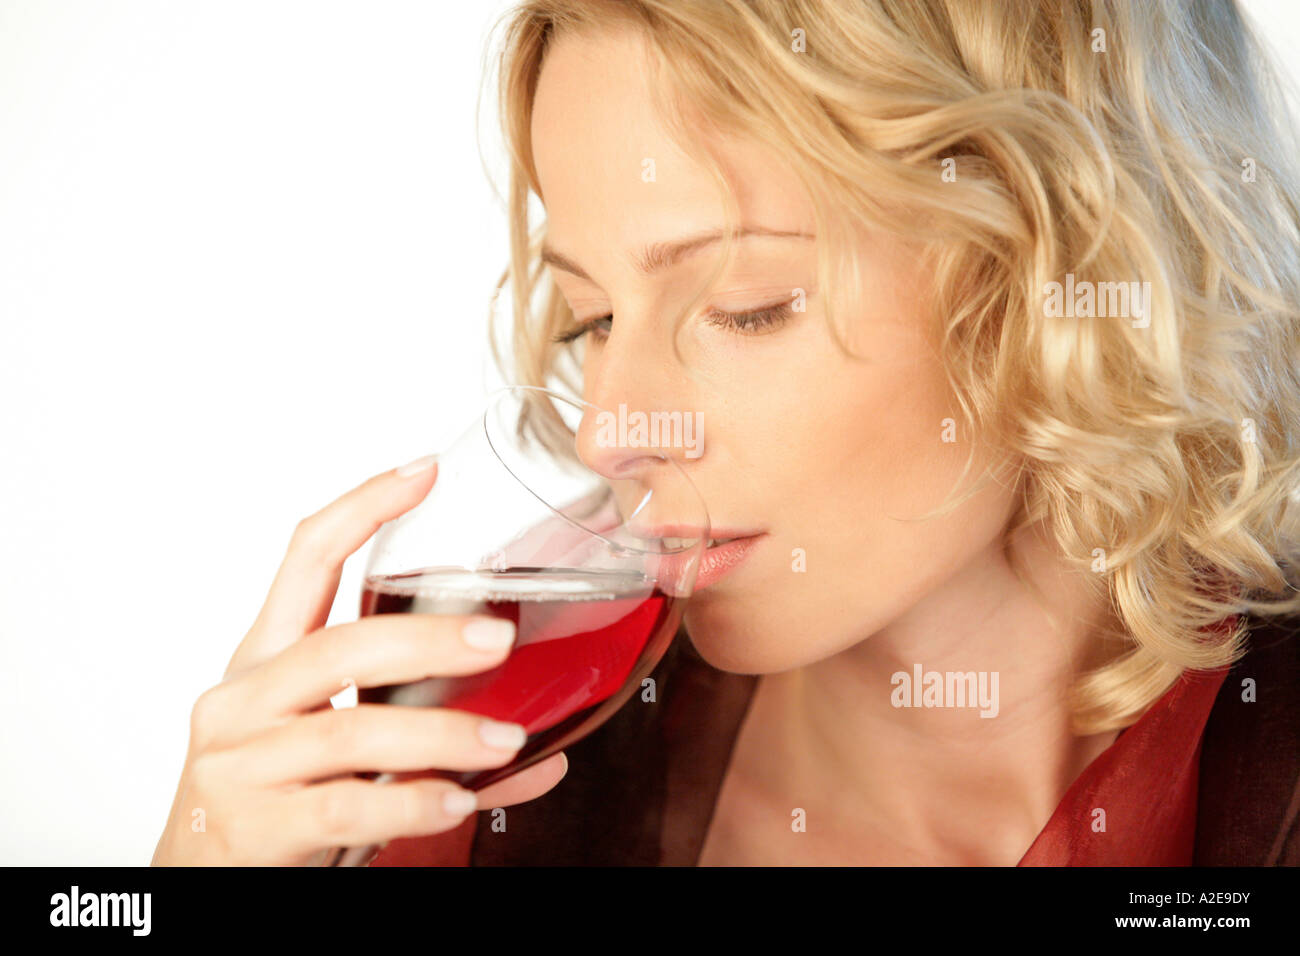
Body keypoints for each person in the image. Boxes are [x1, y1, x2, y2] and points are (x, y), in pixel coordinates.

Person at [153, 0, 1300, 866]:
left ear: (1062, 261)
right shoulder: (501, 783)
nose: (609, 429)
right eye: (594, 317)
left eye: (745, 304)